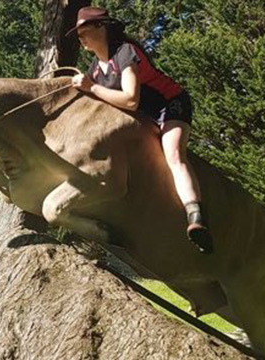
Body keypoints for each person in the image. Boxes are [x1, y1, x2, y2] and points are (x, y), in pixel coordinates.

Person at [67, 6, 213, 254]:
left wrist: (91, 87)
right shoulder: (95, 67)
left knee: (173, 155)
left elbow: (130, 99)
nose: (80, 38)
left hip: (171, 106)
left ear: (101, 27)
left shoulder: (125, 52)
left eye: (83, 31)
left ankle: (195, 216)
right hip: (144, 117)